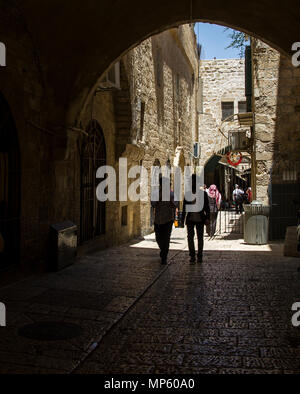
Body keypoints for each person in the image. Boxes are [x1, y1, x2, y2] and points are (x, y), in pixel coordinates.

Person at [183, 174, 210, 265]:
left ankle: (200, 255)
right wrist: (182, 220)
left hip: (200, 218)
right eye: (192, 182)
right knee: (190, 238)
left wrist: (207, 218)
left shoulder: (203, 194)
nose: (193, 183)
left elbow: (207, 207)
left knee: (200, 238)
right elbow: (184, 208)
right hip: (190, 218)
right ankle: (192, 256)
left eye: (194, 181)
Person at [151, 176, 179, 265]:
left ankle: (164, 257)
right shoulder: (156, 193)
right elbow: (153, 204)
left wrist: (171, 201)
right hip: (158, 219)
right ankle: (163, 250)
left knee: (166, 239)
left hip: (168, 220)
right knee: (158, 238)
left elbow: (176, 204)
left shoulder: (171, 194)